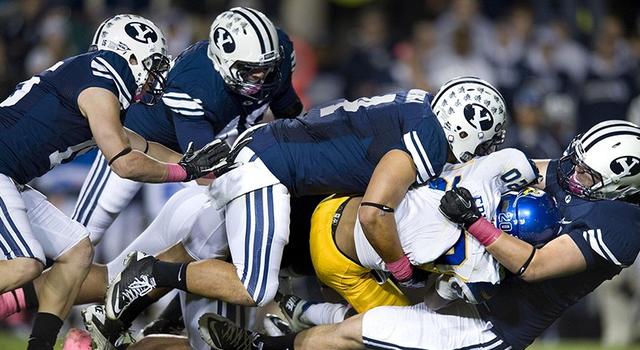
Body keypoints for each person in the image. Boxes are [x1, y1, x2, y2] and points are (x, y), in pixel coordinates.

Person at [197, 120, 640, 350]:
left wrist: (475, 223)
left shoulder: (621, 224)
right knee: (370, 326)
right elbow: (526, 167)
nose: (571, 172)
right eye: (576, 160)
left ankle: (271, 338)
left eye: (585, 170)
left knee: (372, 328)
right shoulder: (571, 177)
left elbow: (533, 265)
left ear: (620, 183)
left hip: (490, 327)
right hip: (467, 289)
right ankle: (286, 323)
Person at [105, 77, 509, 321]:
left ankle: (117, 315)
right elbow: (374, 213)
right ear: (470, 126)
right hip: (270, 171)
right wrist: (403, 270)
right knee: (254, 288)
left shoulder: (419, 105)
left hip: (265, 157)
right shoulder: (429, 137)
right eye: (485, 140)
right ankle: (154, 275)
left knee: (202, 255)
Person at [0, 14, 225, 350]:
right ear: (130, 56)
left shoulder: (94, 79)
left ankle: (40, 345)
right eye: (153, 64)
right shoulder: (105, 72)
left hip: (10, 175)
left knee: (76, 250)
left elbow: (141, 144)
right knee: (26, 263)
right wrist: (185, 173)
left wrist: (195, 163)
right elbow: (125, 163)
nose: (155, 76)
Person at [73, 7, 302, 245]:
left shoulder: (279, 52)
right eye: (250, 70)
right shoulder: (193, 81)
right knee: (82, 238)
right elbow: (204, 167)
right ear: (224, 62)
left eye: (268, 68)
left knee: (189, 241)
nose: (261, 77)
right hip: (138, 143)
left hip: (203, 149)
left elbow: (288, 109)